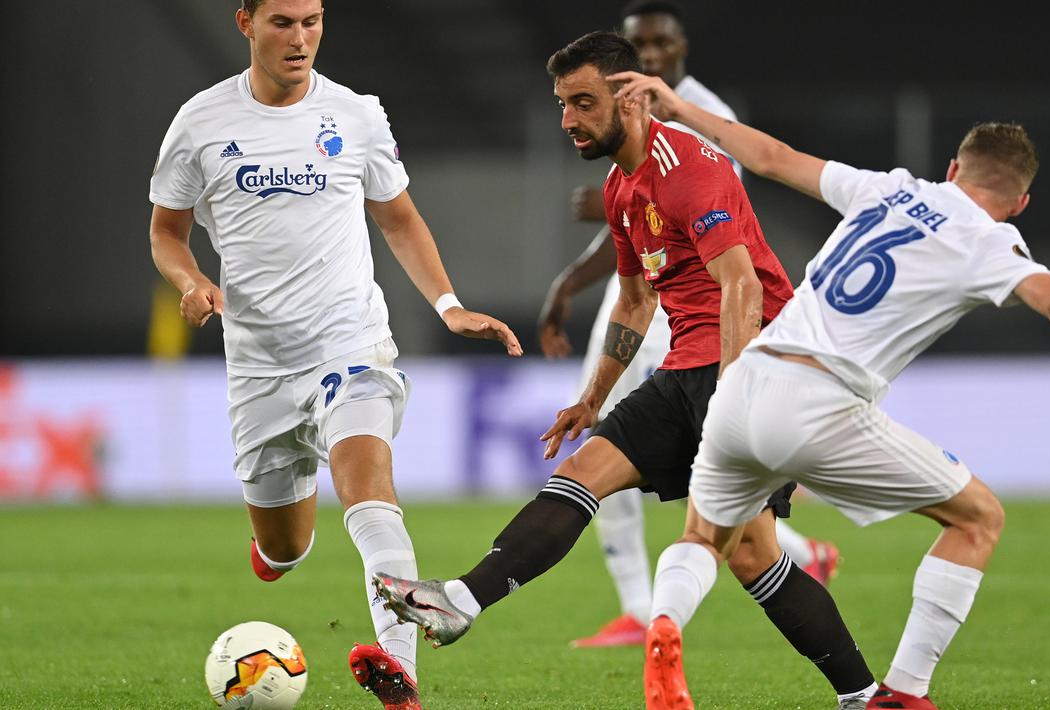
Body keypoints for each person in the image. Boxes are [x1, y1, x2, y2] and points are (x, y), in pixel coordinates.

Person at [609, 70, 1050, 709]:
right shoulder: (985, 240)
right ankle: (903, 695)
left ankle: (664, 625)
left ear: (953, 166)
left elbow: (771, 157)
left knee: (704, 538)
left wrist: (681, 107)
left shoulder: (890, 189)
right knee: (978, 518)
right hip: (818, 402)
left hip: (738, 386)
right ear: (1020, 204)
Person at [375, 31, 878, 710]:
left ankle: (861, 693)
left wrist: (733, 393)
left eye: (582, 103)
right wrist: (592, 399)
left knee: (751, 554)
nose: (567, 121)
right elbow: (637, 299)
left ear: (628, 98)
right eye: (561, 105)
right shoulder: (619, 186)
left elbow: (742, 287)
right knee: (586, 476)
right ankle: (459, 601)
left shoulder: (690, 166)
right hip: (684, 370)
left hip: (750, 366)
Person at [147, 2, 523, 709]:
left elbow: (399, 217)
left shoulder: (355, 115)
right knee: (285, 550)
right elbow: (167, 230)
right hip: (257, 366)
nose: (301, 38)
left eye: (313, 20)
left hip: (348, 345)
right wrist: (191, 280)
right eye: (283, 22)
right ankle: (278, 549)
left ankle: (400, 674)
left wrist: (450, 307)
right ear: (246, 23)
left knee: (369, 490)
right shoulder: (200, 121)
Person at [538, 0, 837, 650]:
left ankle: (664, 607)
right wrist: (570, 281)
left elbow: (701, 220)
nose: (649, 58)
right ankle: (648, 606)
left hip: (704, 304)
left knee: (704, 465)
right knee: (617, 440)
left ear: (679, 50)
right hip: (653, 292)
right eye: (637, 45)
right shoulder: (609, 111)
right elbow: (632, 223)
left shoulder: (693, 114)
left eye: (659, 47)